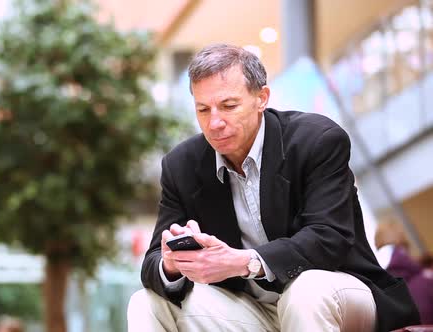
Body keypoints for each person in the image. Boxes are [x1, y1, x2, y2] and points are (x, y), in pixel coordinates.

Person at [127, 44, 420, 332]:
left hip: (338, 289)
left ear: (262, 98)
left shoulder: (317, 140)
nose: (214, 122)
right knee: (145, 303)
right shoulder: (182, 166)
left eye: (229, 106)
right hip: (252, 307)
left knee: (305, 291)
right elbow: (152, 263)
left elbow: (329, 237)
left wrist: (244, 263)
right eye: (203, 109)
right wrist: (171, 264)